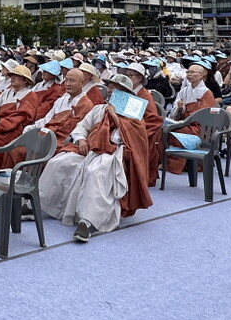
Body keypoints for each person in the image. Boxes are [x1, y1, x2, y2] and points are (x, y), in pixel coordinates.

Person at [37, 74, 152, 243]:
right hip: (89, 148)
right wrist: (81, 139)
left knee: (96, 172)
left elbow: (135, 139)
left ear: (126, 94)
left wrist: (114, 116)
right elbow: (81, 126)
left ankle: (87, 221)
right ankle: (41, 205)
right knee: (60, 161)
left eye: (116, 88)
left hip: (113, 153)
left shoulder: (133, 114)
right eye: (111, 87)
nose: (111, 91)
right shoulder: (98, 109)